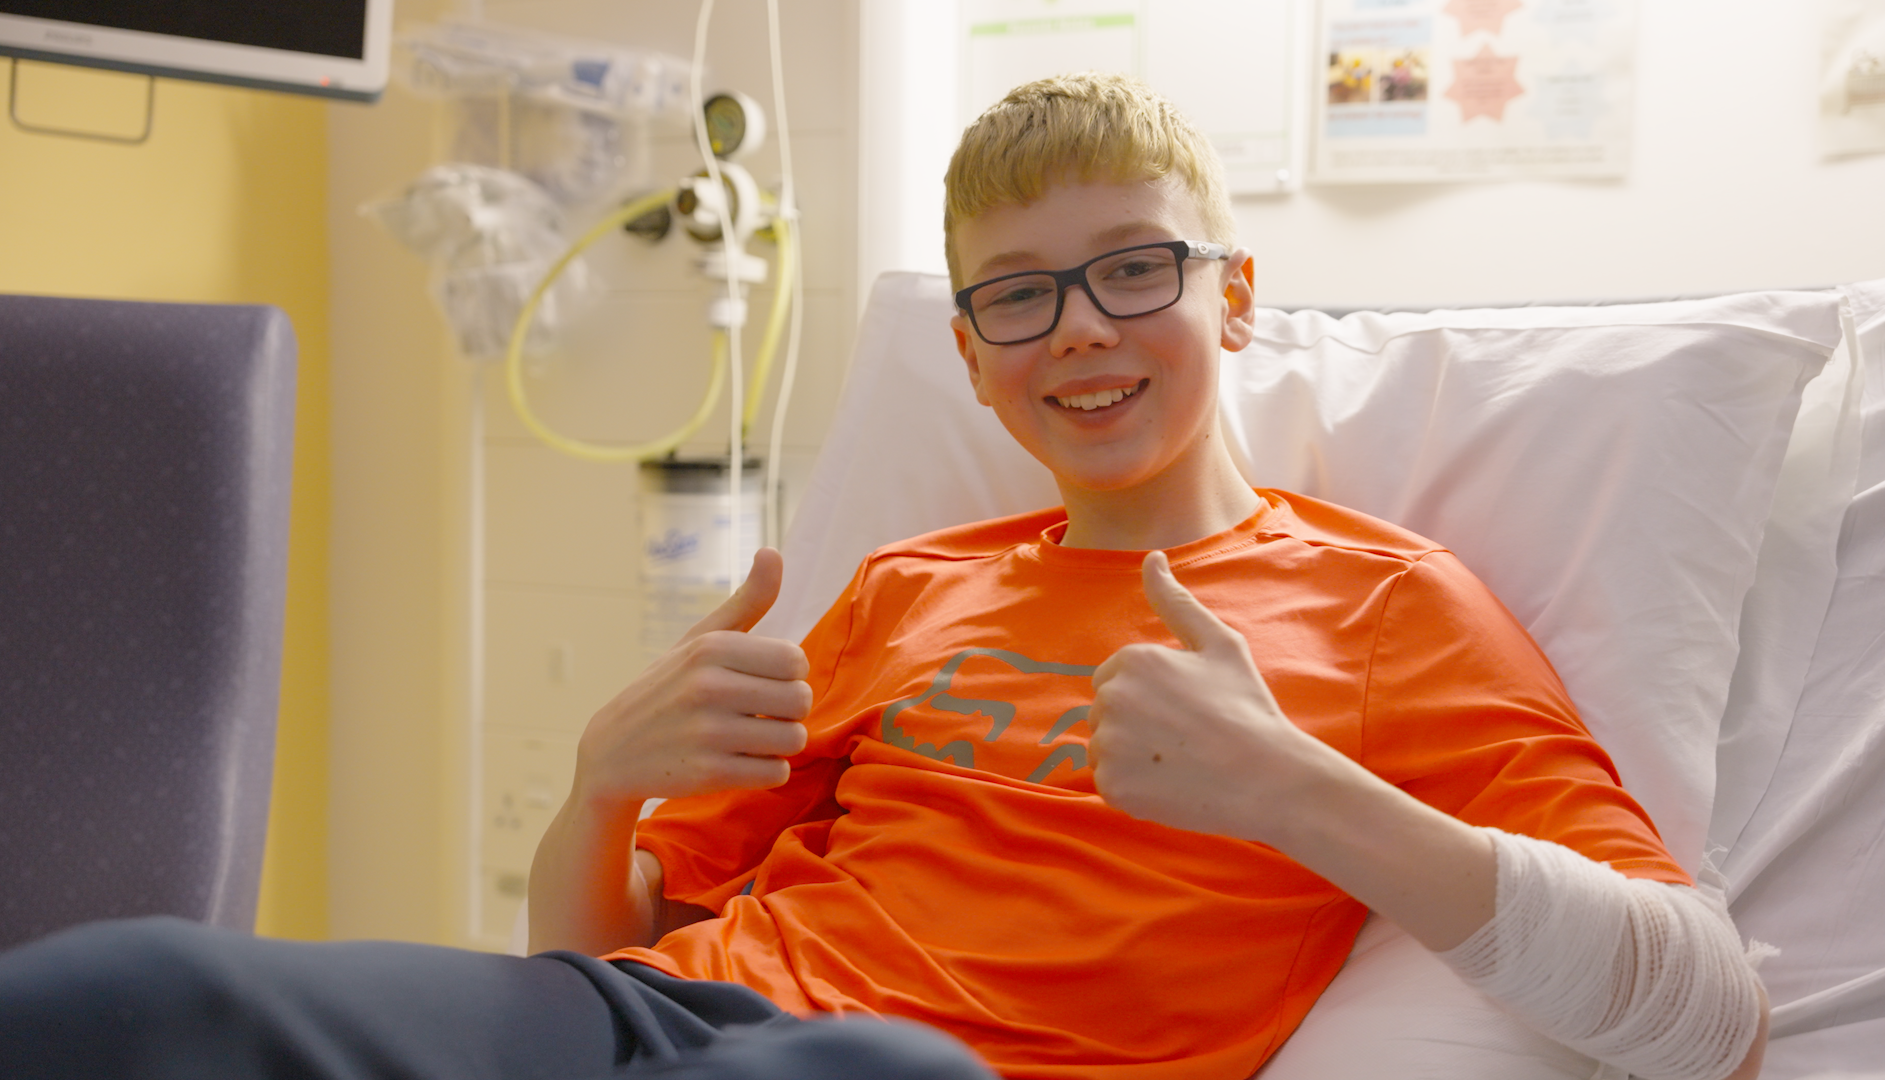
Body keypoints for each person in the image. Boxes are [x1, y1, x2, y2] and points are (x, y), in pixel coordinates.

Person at [0, 73, 1766, 1080]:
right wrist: (598, 790)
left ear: (1233, 300)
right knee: (128, 991)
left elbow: (1708, 1016)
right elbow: (617, 959)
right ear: (978, 361)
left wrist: (1296, 793)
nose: (1078, 332)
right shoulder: (906, 589)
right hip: (651, 1025)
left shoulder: (1387, 606)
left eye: (1131, 269)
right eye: (1018, 295)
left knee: (859, 1077)